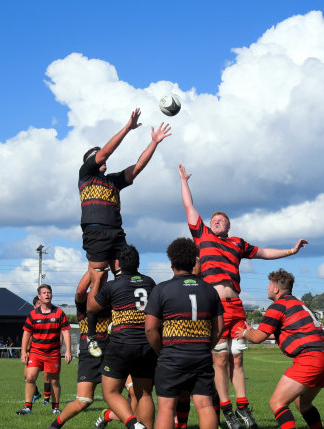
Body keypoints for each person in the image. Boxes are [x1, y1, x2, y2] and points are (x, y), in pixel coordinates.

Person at [178, 164, 308, 429]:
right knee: (220, 358)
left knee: (237, 358)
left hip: (235, 305)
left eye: (221, 220)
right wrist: (184, 181)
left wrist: (290, 251)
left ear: (228, 226)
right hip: (213, 305)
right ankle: (226, 410)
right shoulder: (201, 236)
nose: (216, 221)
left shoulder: (237, 243)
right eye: (213, 220)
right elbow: (189, 207)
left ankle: (243, 408)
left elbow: (263, 253)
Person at [79, 108, 172, 358]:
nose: (103, 159)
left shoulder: (112, 181)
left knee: (125, 278)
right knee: (98, 281)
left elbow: (138, 167)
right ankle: (91, 335)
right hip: (96, 234)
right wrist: (127, 128)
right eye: (97, 157)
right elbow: (106, 151)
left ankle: (120, 320)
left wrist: (153, 143)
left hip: (117, 234)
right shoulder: (85, 176)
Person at [234, 269, 324, 429]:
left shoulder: (278, 306)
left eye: (269, 284)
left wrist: (245, 332)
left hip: (310, 357)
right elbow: (285, 333)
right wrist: (251, 333)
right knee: (303, 404)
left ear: (276, 289)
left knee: (277, 402)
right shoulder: (298, 304)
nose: (267, 287)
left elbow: (258, 338)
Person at [145, 238, 224, 429]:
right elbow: (219, 327)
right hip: (201, 356)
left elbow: (150, 328)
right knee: (205, 406)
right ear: (194, 262)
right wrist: (205, 347)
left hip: (171, 356)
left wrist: (161, 351)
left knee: (166, 408)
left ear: (171, 263)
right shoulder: (210, 290)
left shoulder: (162, 289)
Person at [88, 244, 156, 429]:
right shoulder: (149, 282)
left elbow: (91, 308)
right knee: (145, 394)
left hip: (122, 344)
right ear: (138, 263)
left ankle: (133, 424)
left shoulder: (113, 286)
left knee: (110, 392)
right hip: (147, 344)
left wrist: (95, 281)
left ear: (119, 265)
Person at [48, 273, 112, 429]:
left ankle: (108, 415)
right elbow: (79, 291)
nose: (100, 282)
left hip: (112, 350)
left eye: (103, 279)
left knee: (134, 392)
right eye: (96, 280)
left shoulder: (112, 299)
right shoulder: (84, 300)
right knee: (84, 400)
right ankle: (54, 426)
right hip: (89, 351)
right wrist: (94, 270)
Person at [16, 284, 72, 416]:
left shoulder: (59, 313)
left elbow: (65, 332)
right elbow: (26, 334)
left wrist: (68, 350)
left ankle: (56, 408)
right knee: (30, 376)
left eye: (49, 292)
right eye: (44, 293)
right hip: (36, 352)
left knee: (54, 380)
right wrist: (24, 351)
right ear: (39, 297)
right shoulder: (33, 314)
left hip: (53, 353)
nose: (47, 294)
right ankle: (28, 407)